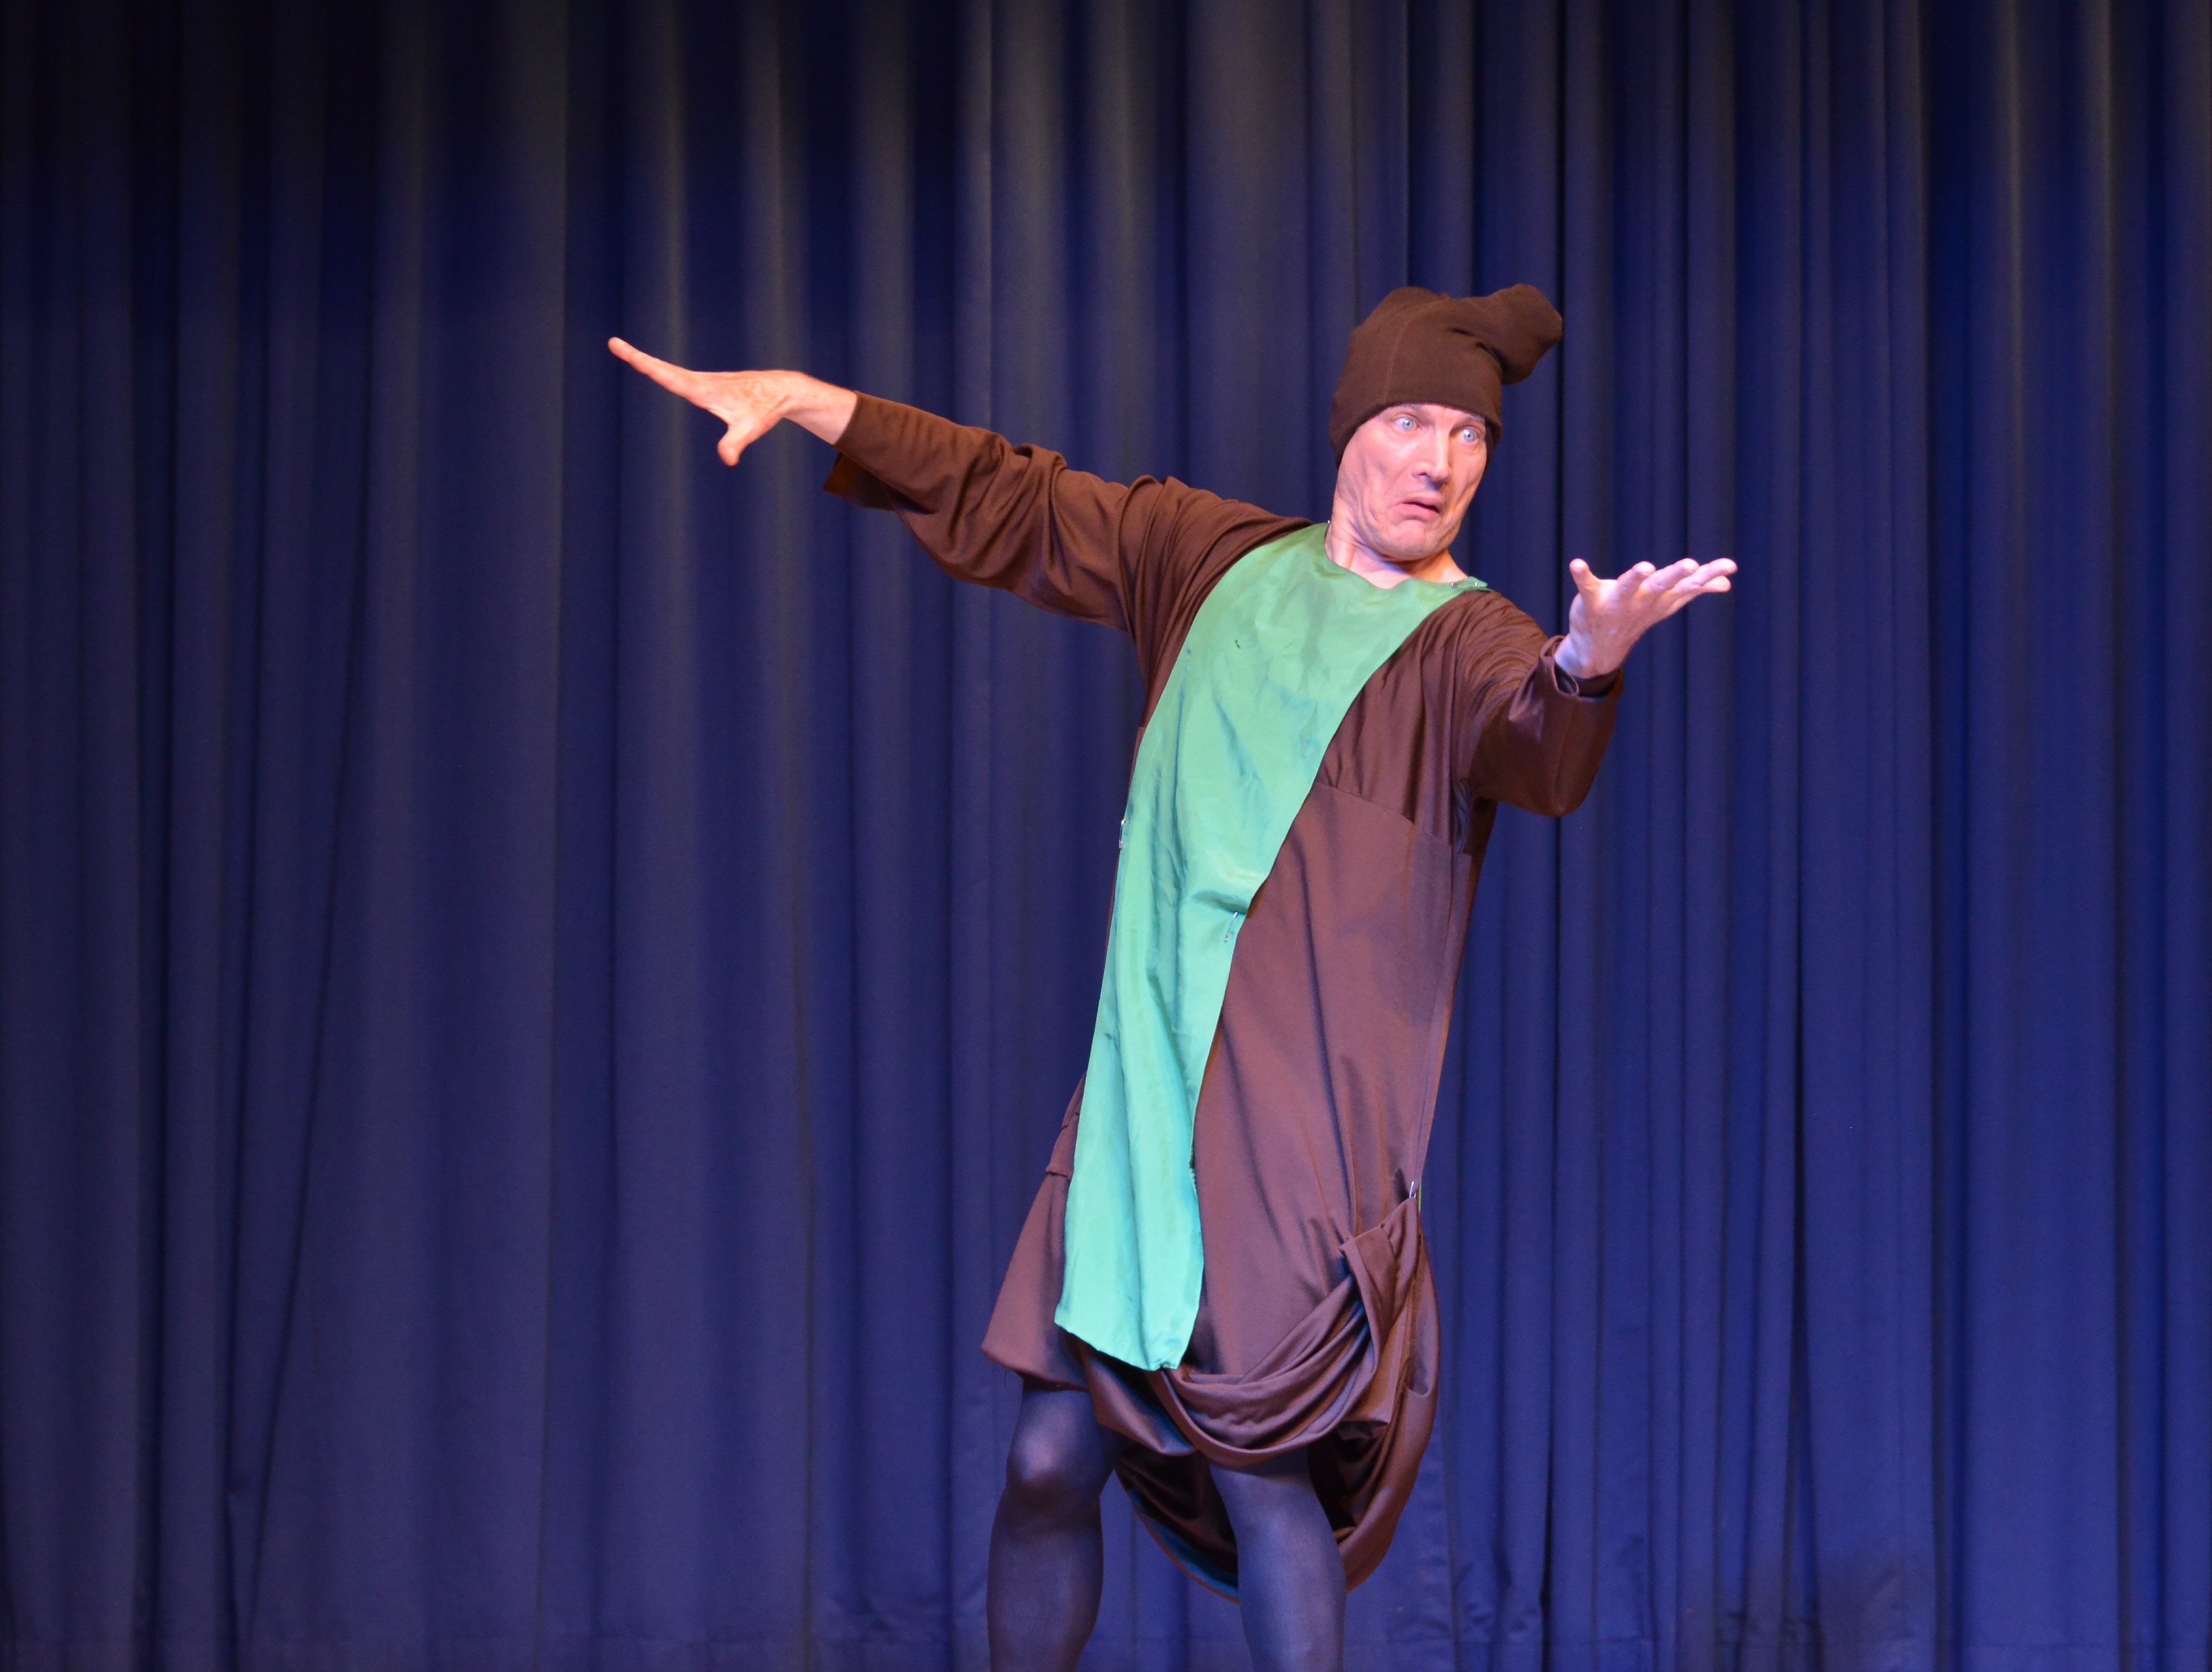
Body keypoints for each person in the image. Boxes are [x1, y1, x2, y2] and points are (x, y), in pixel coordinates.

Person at [610, 287, 1732, 1672]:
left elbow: (1537, 747)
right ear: (1350, 429)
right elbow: (1013, 496)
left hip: (1296, 1130)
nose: (1440, 461)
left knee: (1263, 1473)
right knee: (1042, 1461)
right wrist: (810, 402)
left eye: (1469, 437)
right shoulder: (1210, 559)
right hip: (1143, 1088)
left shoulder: (1468, 641)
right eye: (1410, 423)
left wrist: (1587, 664)